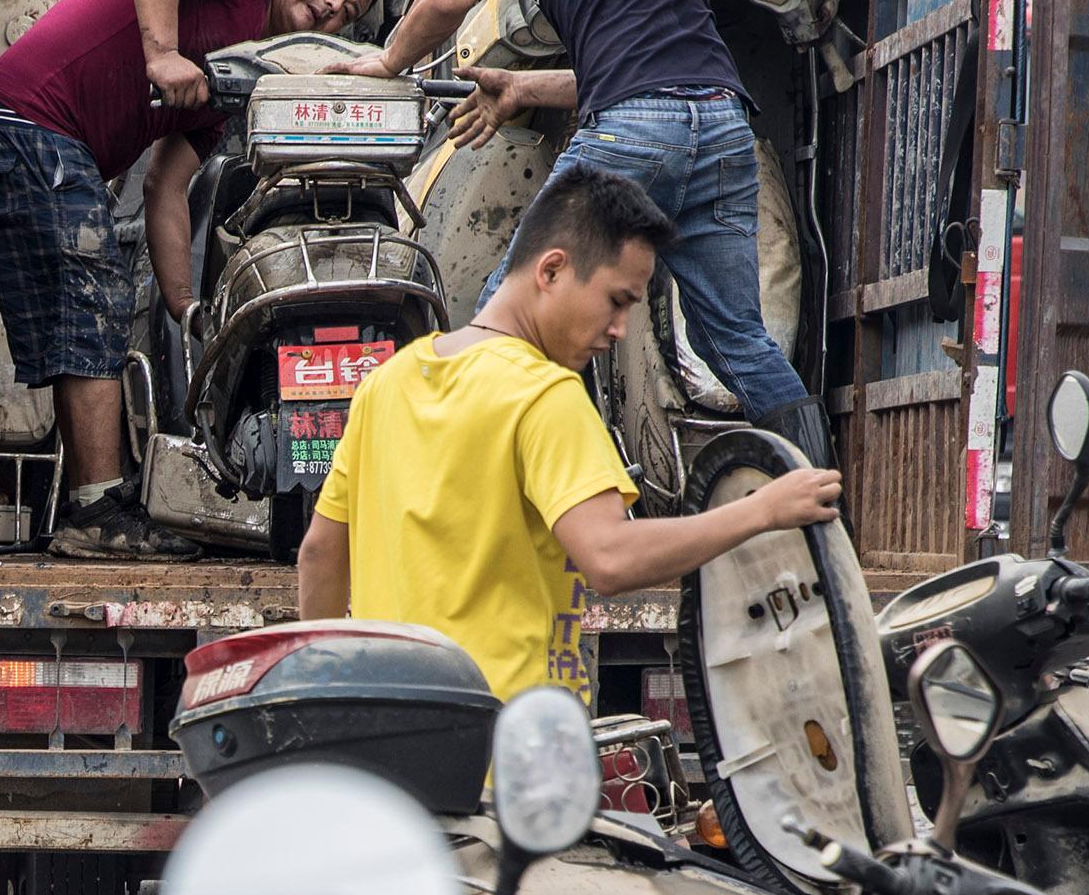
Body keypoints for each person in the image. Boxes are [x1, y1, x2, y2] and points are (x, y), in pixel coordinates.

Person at [350, 0, 821, 457]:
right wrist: (522, 90)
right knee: (739, 340)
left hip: (634, 130)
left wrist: (387, 63)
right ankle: (817, 500)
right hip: (722, 126)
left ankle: (449, 476)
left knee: (509, 307)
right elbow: (648, 66)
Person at [297, 166, 841, 700]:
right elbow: (610, 557)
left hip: (389, 745)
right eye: (617, 300)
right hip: (512, 757)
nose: (619, 329)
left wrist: (330, 697)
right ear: (552, 270)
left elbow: (321, 553)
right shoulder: (544, 394)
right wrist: (763, 511)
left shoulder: (386, 384)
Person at [0, 0, 381, 557]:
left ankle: (89, 507)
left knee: (80, 319)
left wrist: (185, 306)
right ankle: (97, 512)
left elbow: (166, 189)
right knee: (93, 301)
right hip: (23, 122)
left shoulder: (233, 80)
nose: (337, 5)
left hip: (29, 137)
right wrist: (162, 55)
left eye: (352, 10)